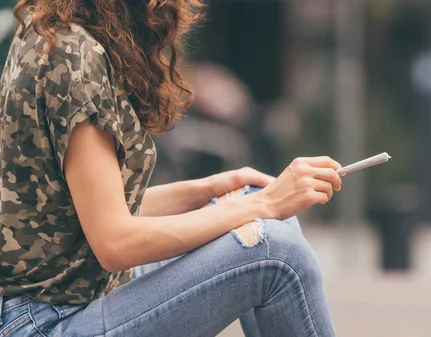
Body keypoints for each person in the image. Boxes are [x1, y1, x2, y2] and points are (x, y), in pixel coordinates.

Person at [0, 1, 340, 336]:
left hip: (61, 299)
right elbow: (115, 243)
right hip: (47, 322)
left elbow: (87, 211)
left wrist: (209, 191)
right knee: (278, 253)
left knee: (254, 199)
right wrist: (262, 206)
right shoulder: (72, 54)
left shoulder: (54, 25)